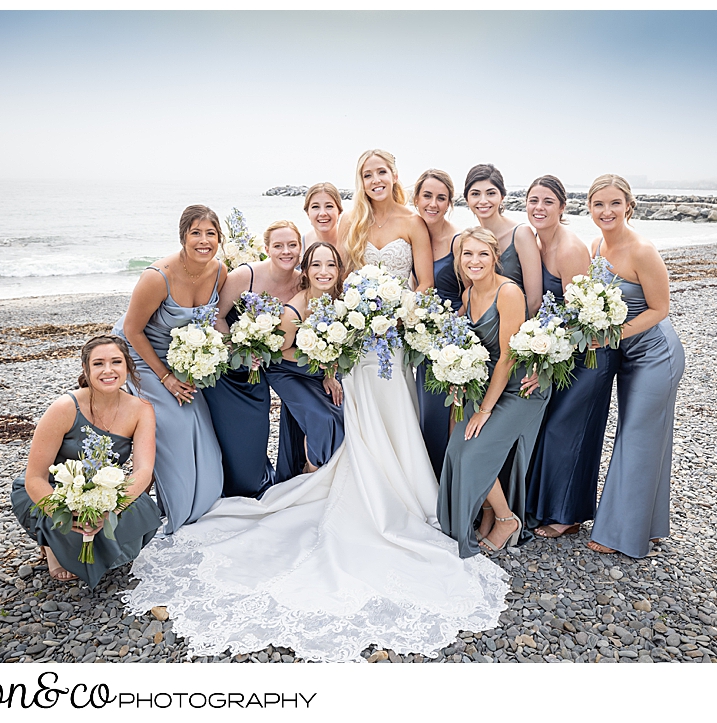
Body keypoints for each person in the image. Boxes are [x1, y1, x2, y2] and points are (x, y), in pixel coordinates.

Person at [123, 151, 509, 663]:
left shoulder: (413, 222)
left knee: (398, 416)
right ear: (361, 180)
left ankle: (408, 490)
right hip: (355, 338)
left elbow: (419, 281)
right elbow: (329, 281)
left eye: (382, 172)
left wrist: (394, 314)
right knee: (354, 416)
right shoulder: (348, 221)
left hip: (391, 337)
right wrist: (344, 332)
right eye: (367, 173)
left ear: (394, 176)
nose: (375, 180)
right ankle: (348, 481)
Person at [583, 174, 685, 558]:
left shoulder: (642, 250)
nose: (606, 211)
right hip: (627, 355)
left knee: (637, 438)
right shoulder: (595, 246)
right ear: (589, 208)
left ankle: (619, 534)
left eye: (614, 203)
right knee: (644, 436)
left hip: (657, 355)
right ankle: (650, 525)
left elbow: (661, 309)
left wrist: (611, 336)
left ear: (628, 205)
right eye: (598, 204)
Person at [11, 336, 162, 586]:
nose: (108, 370)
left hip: (104, 492)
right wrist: (65, 513)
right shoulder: (65, 407)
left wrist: (111, 509)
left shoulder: (141, 409)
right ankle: (51, 546)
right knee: (66, 526)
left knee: (144, 506)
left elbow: (144, 469)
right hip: (57, 491)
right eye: (98, 364)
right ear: (86, 369)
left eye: (116, 362)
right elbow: (35, 477)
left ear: (127, 367)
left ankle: (88, 545)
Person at [113, 205, 225, 534]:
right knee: (175, 427)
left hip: (182, 360)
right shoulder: (156, 277)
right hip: (142, 357)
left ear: (219, 238)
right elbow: (132, 331)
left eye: (211, 234)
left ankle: (201, 504)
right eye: (196, 233)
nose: (204, 241)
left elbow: (215, 320)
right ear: (182, 237)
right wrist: (166, 378)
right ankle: (173, 510)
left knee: (203, 432)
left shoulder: (220, 272)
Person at [438, 227, 550, 558]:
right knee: (456, 451)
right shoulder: (468, 295)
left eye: (482, 254)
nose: (475, 261)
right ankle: (486, 513)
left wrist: (483, 411)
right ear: (459, 260)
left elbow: (508, 357)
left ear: (494, 257)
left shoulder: (509, 293)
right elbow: (460, 342)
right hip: (487, 385)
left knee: (473, 453)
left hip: (519, 389)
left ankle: (506, 520)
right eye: (467, 254)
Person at [524, 175, 617, 539]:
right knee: (552, 427)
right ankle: (545, 505)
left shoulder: (568, 248)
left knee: (570, 430)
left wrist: (544, 360)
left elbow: (580, 315)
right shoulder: (536, 242)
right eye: (533, 200)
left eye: (548, 201)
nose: (539, 208)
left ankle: (569, 513)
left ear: (563, 207)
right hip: (564, 349)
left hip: (588, 354)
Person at [207, 220, 303, 498]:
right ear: (267, 249)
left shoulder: (302, 283)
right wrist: (239, 351)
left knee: (255, 440)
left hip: (267, 370)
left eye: (292, 245)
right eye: (278, 246)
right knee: (231, 437)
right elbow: (217, 316)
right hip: (232, 373)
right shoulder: (244, 276)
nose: (286, 251)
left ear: (300, 248)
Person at [266, 241, 345, 482]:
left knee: (341, 416)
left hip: (319, 370)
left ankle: (319, 468)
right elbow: (277, 352)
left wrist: (330, 373)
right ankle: (310, 475)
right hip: (287, 370)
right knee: (321, 418)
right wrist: (316, 360)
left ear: (339, 269)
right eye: (316, 265)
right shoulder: (294, 311)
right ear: (306, 271)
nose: (324, 272)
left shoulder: (341, 302)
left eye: (331, 265)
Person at [412, 169, 462, 477]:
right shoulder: (410, 232)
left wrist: (452, 326)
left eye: (441, 198)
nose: (433, 203)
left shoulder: (458, 241)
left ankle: (446, 491)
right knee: (423, 414)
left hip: (451, 335)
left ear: (449, 203)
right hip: (420, 335)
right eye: (427, 196)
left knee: (441, 415)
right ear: (415, 198)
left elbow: (472, 292)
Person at [463, 163, 542, 316]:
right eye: (475, 194)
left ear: (502, 197)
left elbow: (535, 301)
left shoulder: (521, 234)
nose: (483, 200)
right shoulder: (471, 239)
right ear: (467, 199)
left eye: (491, 193)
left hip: (518, 328)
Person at [300, 182, 344, 255]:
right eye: (315, 207)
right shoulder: (300, 245)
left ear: (339, 211)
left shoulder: (352, 243)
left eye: (329, 206)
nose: (322, 213)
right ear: (308, 213)